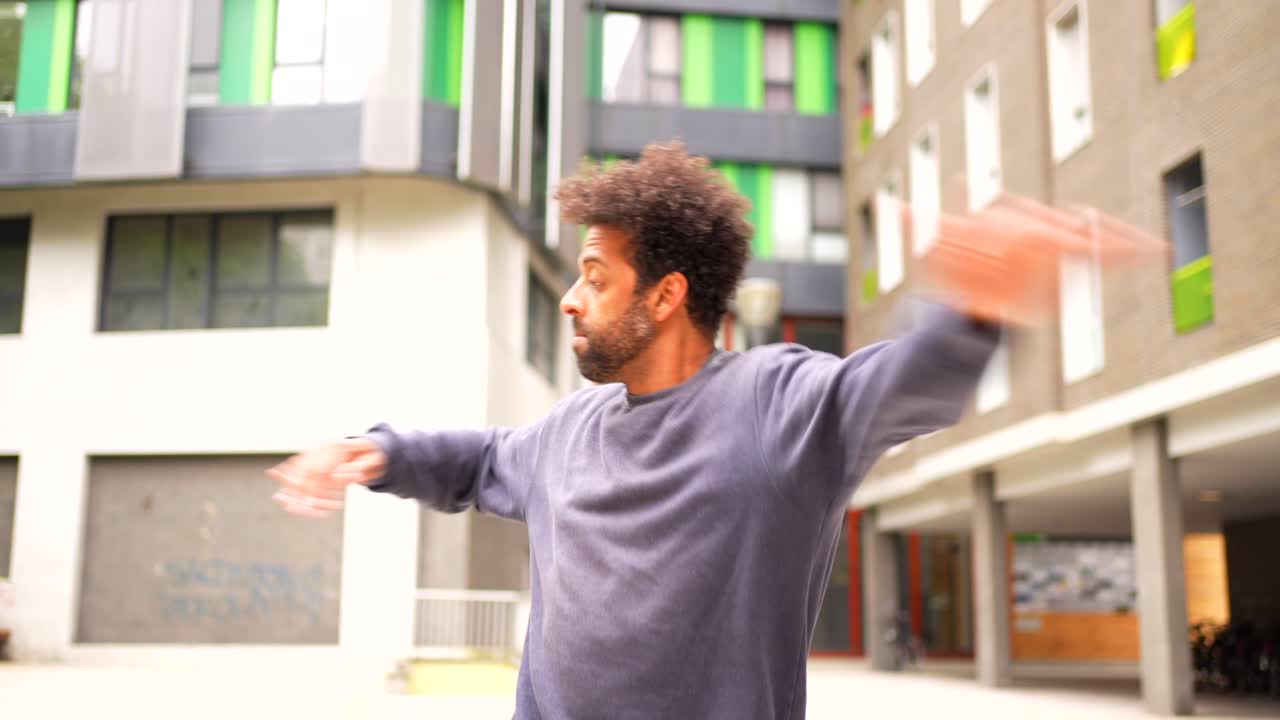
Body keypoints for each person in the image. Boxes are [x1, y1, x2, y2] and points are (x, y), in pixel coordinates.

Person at [267, 142, 1163, 719]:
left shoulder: (779, 406)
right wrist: (378, 451)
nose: (571, 298)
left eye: (593, 275)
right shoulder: (569, 431)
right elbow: (481, 458)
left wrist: (970, 306)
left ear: (666, 295)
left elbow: (900, 389)